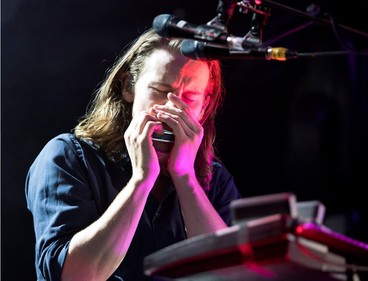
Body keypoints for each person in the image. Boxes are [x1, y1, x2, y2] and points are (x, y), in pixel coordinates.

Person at [25, 27, 242, 281]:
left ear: (204, 106)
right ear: (129, 87)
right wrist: (141, 180)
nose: (173, 108)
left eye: (191, 97)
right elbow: (72, 276)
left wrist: (185, 179)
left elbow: (233, 274)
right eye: (160, 91)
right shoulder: (66, 157)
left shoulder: (214, 179)